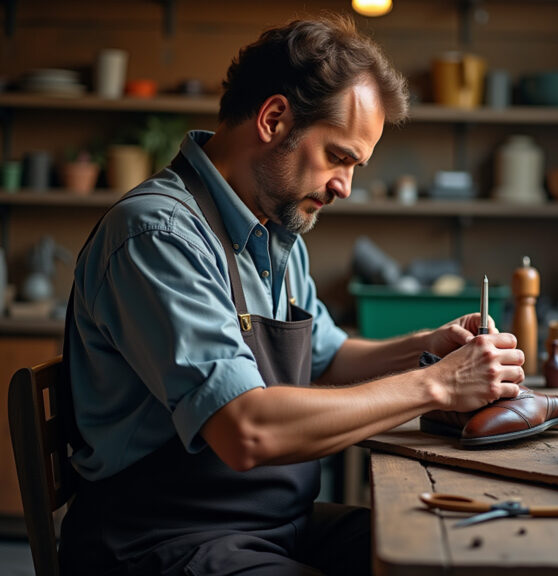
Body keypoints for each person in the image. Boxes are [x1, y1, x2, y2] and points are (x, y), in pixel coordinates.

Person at [59, 14, 525, 576]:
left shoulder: (275, 232)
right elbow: (245, 429)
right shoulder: (157, 237)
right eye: (338, 157)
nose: (344, 187)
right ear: (274, 118)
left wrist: (427, 347)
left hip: (274, 526)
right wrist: (438, 384)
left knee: (457, 557)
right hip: (161, 542)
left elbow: (327, 361)